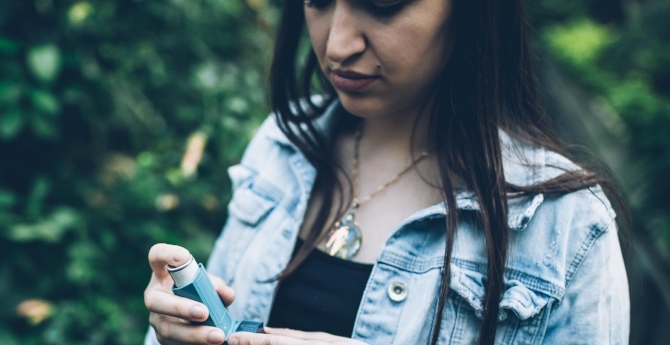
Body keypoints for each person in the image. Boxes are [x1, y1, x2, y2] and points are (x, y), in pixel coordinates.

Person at [144, 0, 630, 343]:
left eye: (382, 2)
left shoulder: (567, 228)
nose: (337, 44)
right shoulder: (281, 144)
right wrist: (178, 329)